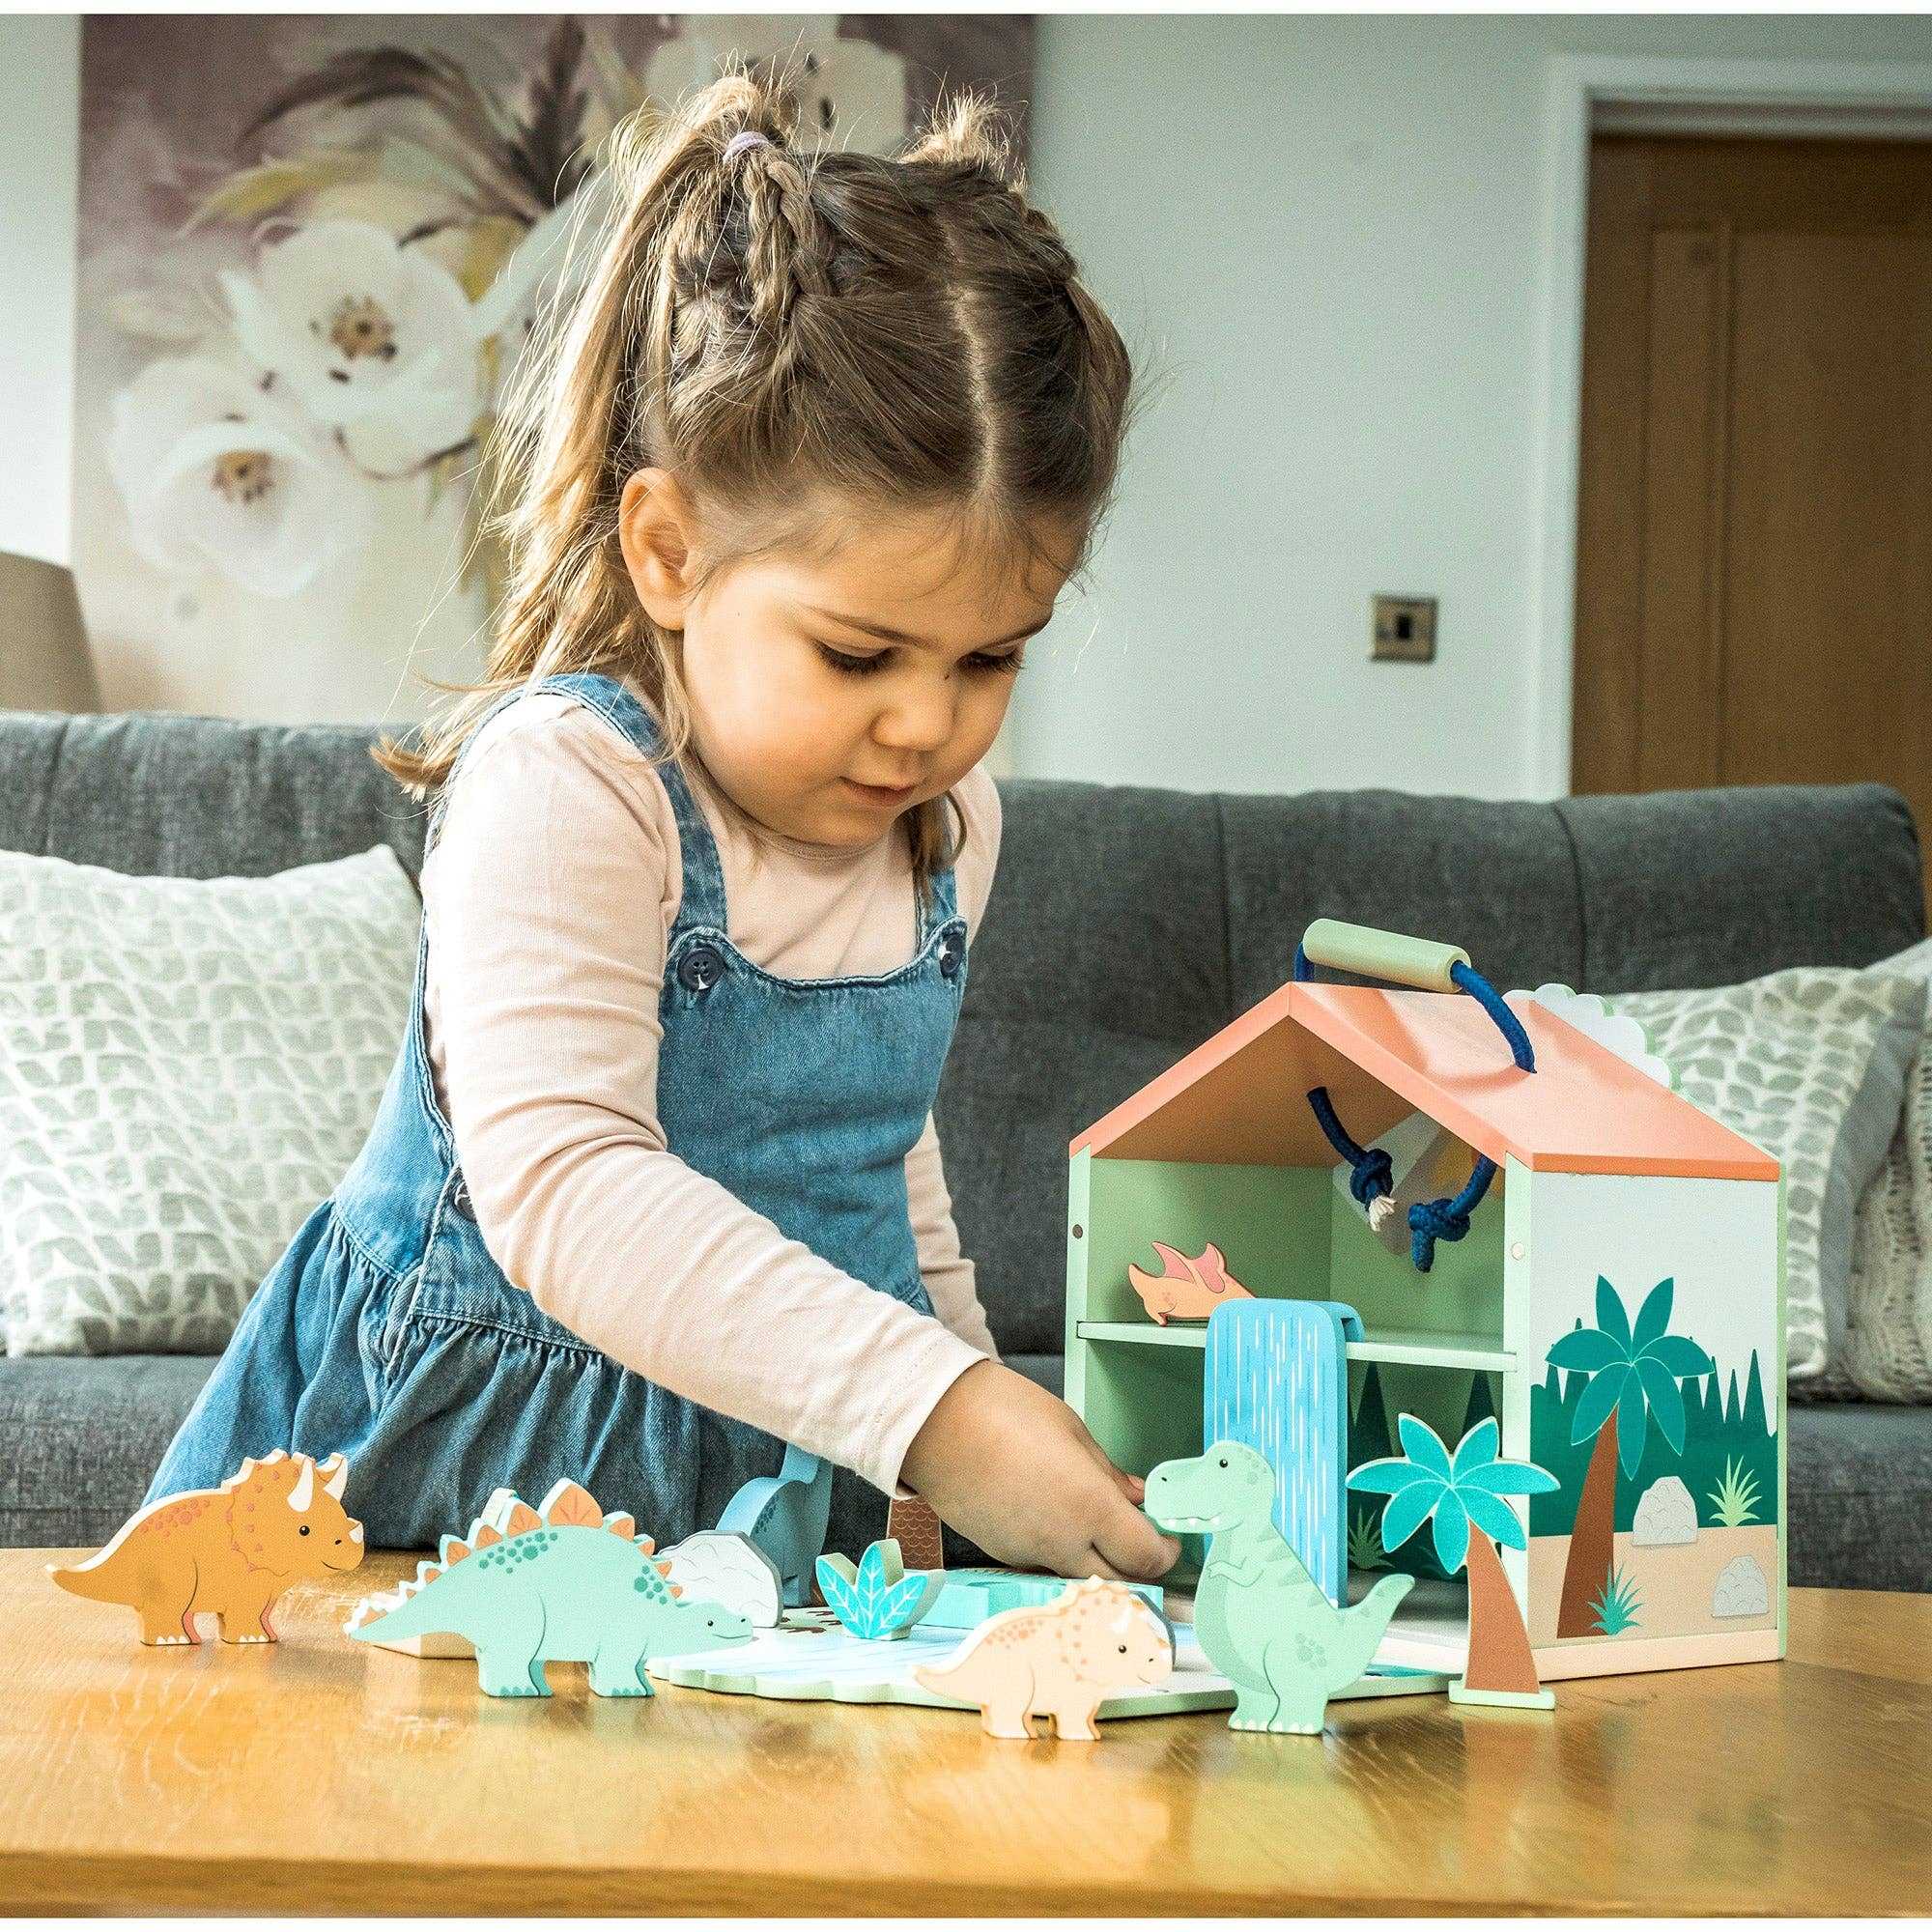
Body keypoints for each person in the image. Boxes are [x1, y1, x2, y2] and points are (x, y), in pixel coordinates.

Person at [145, 65, 1180, 1587]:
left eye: (989, 657)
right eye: (858, 653)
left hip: (786, 1480)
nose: (926, 722)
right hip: (479, 1481)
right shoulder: (572, 784)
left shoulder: (949, 823)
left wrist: (977, 1435)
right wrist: (938, 1412)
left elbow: (885, 1165)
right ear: (670, 552)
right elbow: (568, 1186)